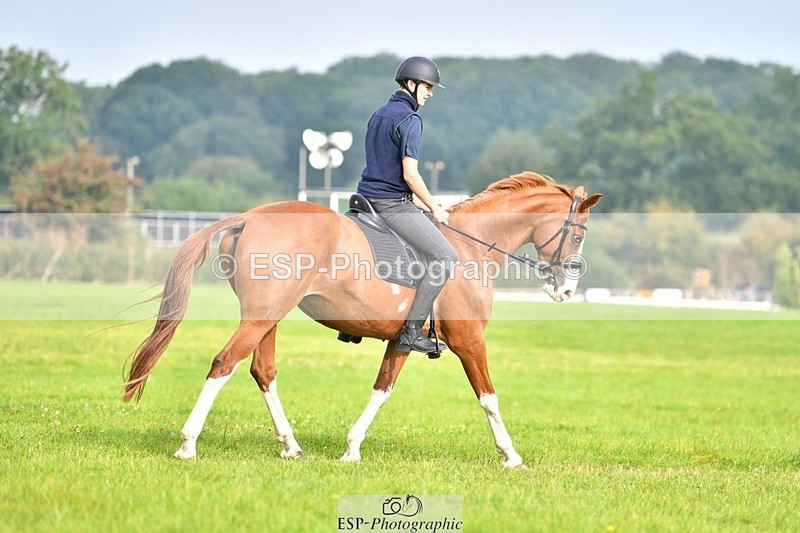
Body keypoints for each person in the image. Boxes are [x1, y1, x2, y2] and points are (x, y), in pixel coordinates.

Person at [357, 56, 459, 354]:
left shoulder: (379, 114)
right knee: (446, 257)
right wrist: (435, 206)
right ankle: (412, 331)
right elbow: (410, 174)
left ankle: (351, 328)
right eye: (427, 86)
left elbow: (382, 164)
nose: (430, 93)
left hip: (364, 200)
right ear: (411, 84)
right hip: (389, 204)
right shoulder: (410, 120)